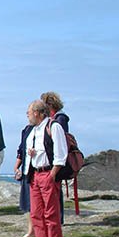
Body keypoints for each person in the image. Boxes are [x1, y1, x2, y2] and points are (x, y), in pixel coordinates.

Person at [25, 101, 68, 237]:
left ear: (37, 112)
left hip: (47, 173)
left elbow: (60, 152)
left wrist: (53, 174)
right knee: (36, 213)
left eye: (28, 112)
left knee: (51, 213)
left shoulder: (54, 126)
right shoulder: (34, 130)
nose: (27, 115)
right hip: (35, 174)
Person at [40, 91, 69, 223]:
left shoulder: (60, 119)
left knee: (56, 190)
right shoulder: (58, 117)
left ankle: (59, 218)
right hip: (53, 158)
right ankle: (56, 217)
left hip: (56, 159)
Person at [14, 121, 35, 237]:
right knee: (28, 203)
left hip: (37, 171)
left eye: (29, 113)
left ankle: (35, 232)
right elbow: (21, 149)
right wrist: (17, 167)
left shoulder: (46, 128)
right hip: (27, 171)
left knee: (35, 204)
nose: (27, 116)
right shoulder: (27, 130)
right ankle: (31, 231)